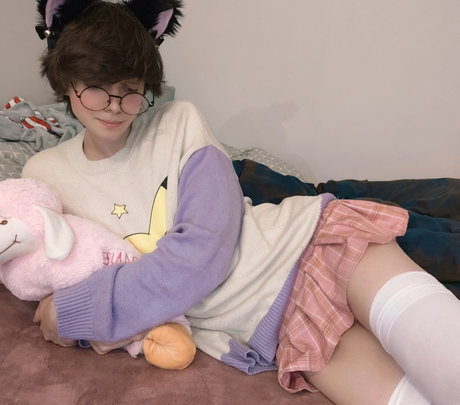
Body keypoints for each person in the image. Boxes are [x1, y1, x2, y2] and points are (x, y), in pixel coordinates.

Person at [25, 1, 459, 404]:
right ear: (66, 80)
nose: (115, 107)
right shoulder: (43, 176)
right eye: (96, 88)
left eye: (130, 89)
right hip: (273, 324)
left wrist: (82, 311)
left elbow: (203, 251)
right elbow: (48, 267)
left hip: (309, 246)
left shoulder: (178, 121)